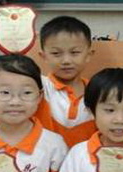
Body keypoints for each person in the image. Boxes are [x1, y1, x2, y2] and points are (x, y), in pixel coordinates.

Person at [36, 16, 96, 147]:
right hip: (47, 159)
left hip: (86, 159)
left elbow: (121, 78)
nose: (66, 61)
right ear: (43, 56)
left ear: (89, 55)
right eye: (56, 53)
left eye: (74, 52)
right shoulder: (40, 86)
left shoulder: (97, 90)